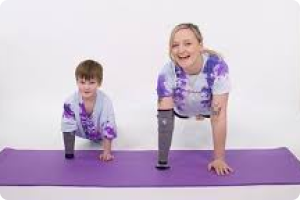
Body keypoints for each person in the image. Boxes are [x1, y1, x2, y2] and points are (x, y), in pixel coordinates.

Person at [156, 23, 233, 175]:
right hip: (182, 109)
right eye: (175, 45)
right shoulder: (167, 73)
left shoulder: (217, 68)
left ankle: (199, 114)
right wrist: (162, 161)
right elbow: (164, 120)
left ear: (200, 45)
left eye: (188, 43)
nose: (181, 50)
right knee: (167, 117)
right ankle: (194, 113)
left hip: (207, 109)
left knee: (214, 112)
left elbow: (219, 117)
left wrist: (219, 159)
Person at [61, 59, 117, 161]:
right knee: (67, 121)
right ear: (77, 82)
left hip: (100, 133)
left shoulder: (105, 101)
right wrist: (69, 154)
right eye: (82, 82)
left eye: (91, 83)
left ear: (99, 83)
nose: (86, 87)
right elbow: (67, 124)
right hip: (82, 131)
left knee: (108, 125)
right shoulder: (70, 102)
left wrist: (107, 152)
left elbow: (108, 125)